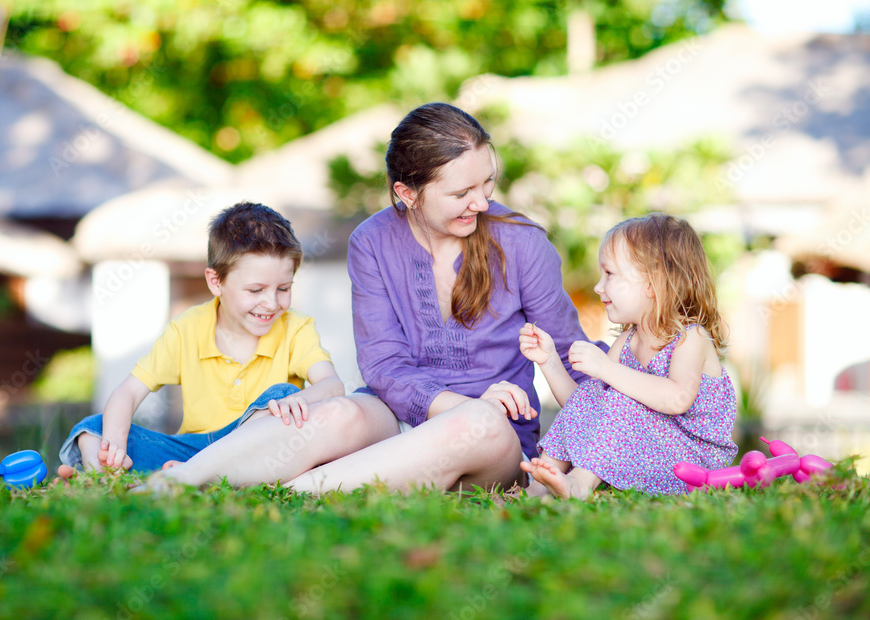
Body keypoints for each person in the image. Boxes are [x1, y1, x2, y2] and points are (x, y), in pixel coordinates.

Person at [280, 102, 603, 493]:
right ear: (407, 193)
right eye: (461, 192)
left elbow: (574, 355)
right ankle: (187, 475)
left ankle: (300, 489)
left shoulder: (523, 241)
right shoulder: (371, 241)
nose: (482, 203)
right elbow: (383, 364)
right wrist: (461, 403)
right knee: (342, 411)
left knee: (478, 423)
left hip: (490, 440)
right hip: (397, 420)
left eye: (487, 182)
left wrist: (629, 412)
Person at [58, 202, 348, 475]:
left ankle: (193, 475)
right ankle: (109, 475)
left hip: (256, 445)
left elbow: (332, 385)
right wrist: (114, 447)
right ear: (215, 282)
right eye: (256, 290)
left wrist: (300, 399)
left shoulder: (295, 328)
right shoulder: (186, 329)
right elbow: (128, 393)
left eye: (283, 288)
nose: (272, 303)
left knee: (280, 395)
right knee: (92, 429)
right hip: (191, 451)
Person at [519, 213, 738, 499]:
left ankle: (579, 484)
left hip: (693, 459)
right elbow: (588, 407)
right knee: (595, 394)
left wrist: (607, 370)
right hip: (648, 452)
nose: (598, 286)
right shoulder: (627, 341)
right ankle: (540, 484)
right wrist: (548, 361)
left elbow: (677, 399)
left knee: (621, 395)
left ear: (653, 283)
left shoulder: (690, 338)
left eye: (609, 274)